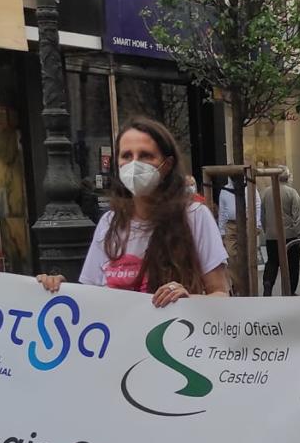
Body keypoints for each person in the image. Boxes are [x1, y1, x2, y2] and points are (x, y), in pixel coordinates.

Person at [39, 116, 228, 303]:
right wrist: (58, 289)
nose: (134, 164)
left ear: (167, 165)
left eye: (146, 156)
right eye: (126, 156)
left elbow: (220, 295)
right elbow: (91, 297)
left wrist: (188, 299)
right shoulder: (109, 223)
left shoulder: (195, 216)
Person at [259, 168, 300, 295]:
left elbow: (262, 215)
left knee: (272, 261)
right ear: (288, 177)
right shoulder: (292, 193)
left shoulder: (266, 193)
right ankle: (290, 290)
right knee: (292, 264)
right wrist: (299, 232)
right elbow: (298, 215)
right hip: (290, 235)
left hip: (271, 235)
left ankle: (268, 282)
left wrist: (267, 229)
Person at [217, 174, 262, 294]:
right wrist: (221, 231)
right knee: (231, 256)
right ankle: (237, 286)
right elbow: (222, 211)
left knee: (248, 255)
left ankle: (248, 286)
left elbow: (257, 205)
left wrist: (257, 224)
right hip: (230, 225)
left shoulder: (250, 187)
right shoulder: (225, 190)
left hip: (247, 222)